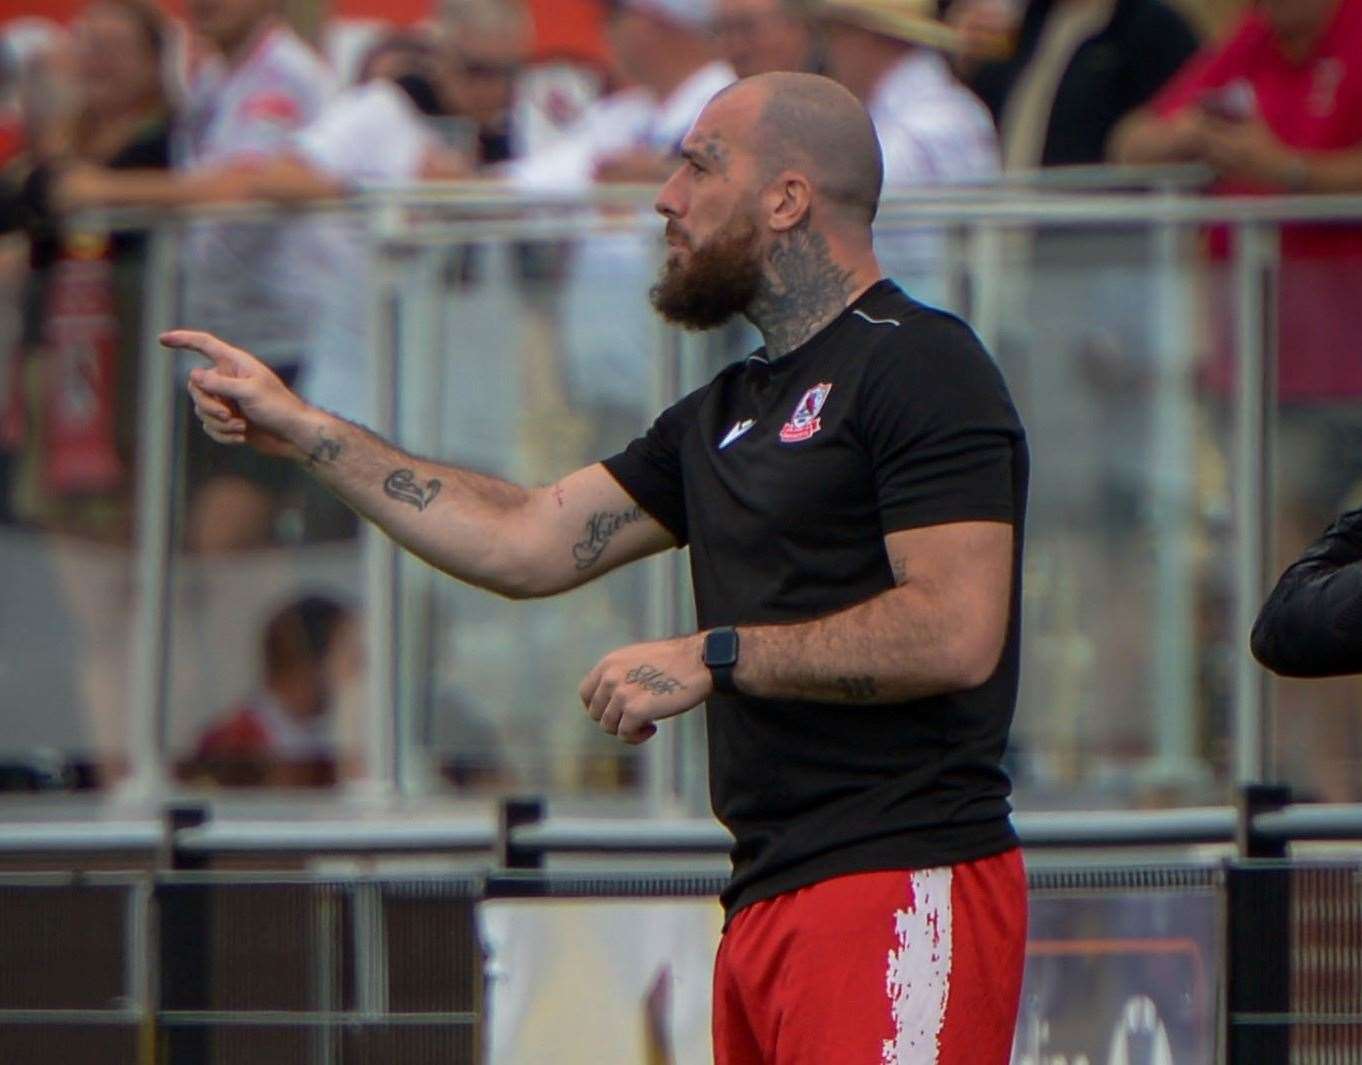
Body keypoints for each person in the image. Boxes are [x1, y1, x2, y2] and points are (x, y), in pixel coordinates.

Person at [168, 71, 1028, 1063]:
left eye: (699, 165)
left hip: (899, 877)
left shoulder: (922, 361)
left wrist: (716, 654)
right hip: (768, 895)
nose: (666, 196)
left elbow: (957, 632)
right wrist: (310, 433)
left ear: (788, 199)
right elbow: (526, 540)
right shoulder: (727, 408)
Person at [1112, 0, 1362, 798]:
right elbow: (1131, 144)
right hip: (1264, 374)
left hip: (1343, 368)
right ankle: (1314, 785)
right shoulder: (1253, 39)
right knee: (1283, 581)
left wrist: (1280, 165)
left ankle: (1337, 787)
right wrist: (1195, 138)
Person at [949, 0, 1200, 169]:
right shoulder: (1029, 23)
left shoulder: (1152, 28)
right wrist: (964, 61)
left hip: (1101, 236)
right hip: (1010, 231)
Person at [184, 593, 356, 787]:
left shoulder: (333, 740)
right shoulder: (230, 746)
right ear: (309, 663)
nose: (356, 669)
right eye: (349, 654)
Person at [713, 0, 821, 78]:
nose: (737, 48)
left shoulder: (833, 97)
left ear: (797, 26)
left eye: (747, 27)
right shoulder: (717, 98)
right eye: (724, 30)